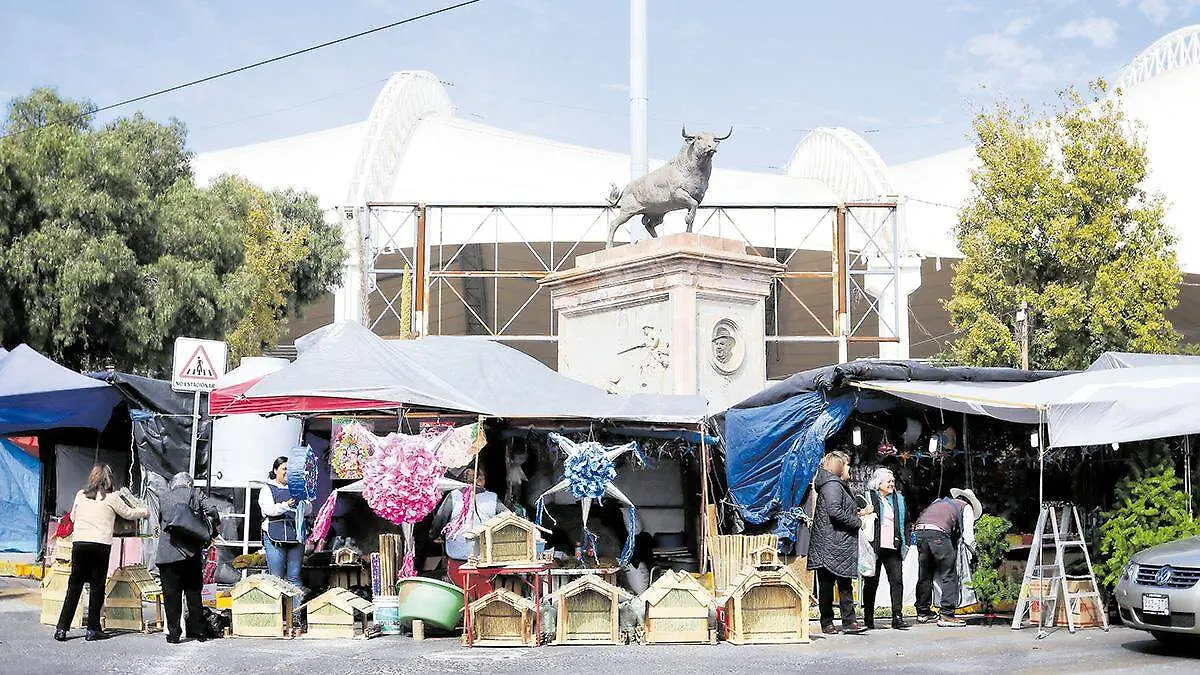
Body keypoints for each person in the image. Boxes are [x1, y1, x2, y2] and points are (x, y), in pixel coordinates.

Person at [54, 464, 149, 642]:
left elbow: (73, 518)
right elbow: (128, 513)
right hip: (100, 546)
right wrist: (145, 511)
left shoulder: (80, 495)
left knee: (74, 587)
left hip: (80, 544)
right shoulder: (112, 498)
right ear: (109, 480)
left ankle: (61, 628)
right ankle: (92, 629)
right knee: (97, 588)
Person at [807, 451, 870, 635]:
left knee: (843, 584)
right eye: (847, 465)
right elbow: (834, 511)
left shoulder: (834, 485)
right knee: (829, 585)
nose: (850, 468)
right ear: (839, 467)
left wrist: (857, 513)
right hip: (831, 544)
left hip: (836, 543)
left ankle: (848, 622)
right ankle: (829, 622)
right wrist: (857, 522)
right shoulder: (832, 485)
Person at [157, 472, 220, 644]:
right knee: (193, 593)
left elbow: (161, 521)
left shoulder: (163, 497)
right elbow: (212, 510)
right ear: (189, 484)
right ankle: (199, 632)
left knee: (171, 595)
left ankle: (174, 634)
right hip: (191, 553)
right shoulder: (195, 493)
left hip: (167, 553)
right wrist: (212, 526)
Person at [913, 486, 981, 627]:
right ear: (969, 502)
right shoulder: (965, 507)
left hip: (920, 532)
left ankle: (922, 612)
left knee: (925, 573)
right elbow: (968, 537)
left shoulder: (938, 502)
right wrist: (976, 552)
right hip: (938, 534)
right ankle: (947, 614)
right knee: (949, 573)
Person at [430, 468, 507, 594]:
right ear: (481, 480)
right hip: (482, 561)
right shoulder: (492, 499)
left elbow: (439, 521)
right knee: (482, 597)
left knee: (461, 595)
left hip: (462, 562)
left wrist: (434, 535)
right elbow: (507, 518)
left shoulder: (452, 497)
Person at [862, 468, 910, 630]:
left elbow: (906, 522)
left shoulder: (899, 499)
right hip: (875, 547)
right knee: (871, 583)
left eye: (893, 481)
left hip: (893, 546)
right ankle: (868, 617)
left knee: (897, 581)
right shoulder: (869, 497)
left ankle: (897, 616)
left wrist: (906, 541)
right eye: (888, 481)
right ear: (878, 483)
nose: (892, 484)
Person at [259, 456, 311, 593]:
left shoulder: (299, 488)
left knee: (294, 576)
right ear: (276, 470)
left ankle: (295, 612)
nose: (287, 472)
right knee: (276, 578)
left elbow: (309, 509)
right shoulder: (267, 489)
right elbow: (268, 510)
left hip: (296, 535)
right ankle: (278, 611)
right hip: (275, 536)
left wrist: (303, 504)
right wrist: (286, 505)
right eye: (284, 469)